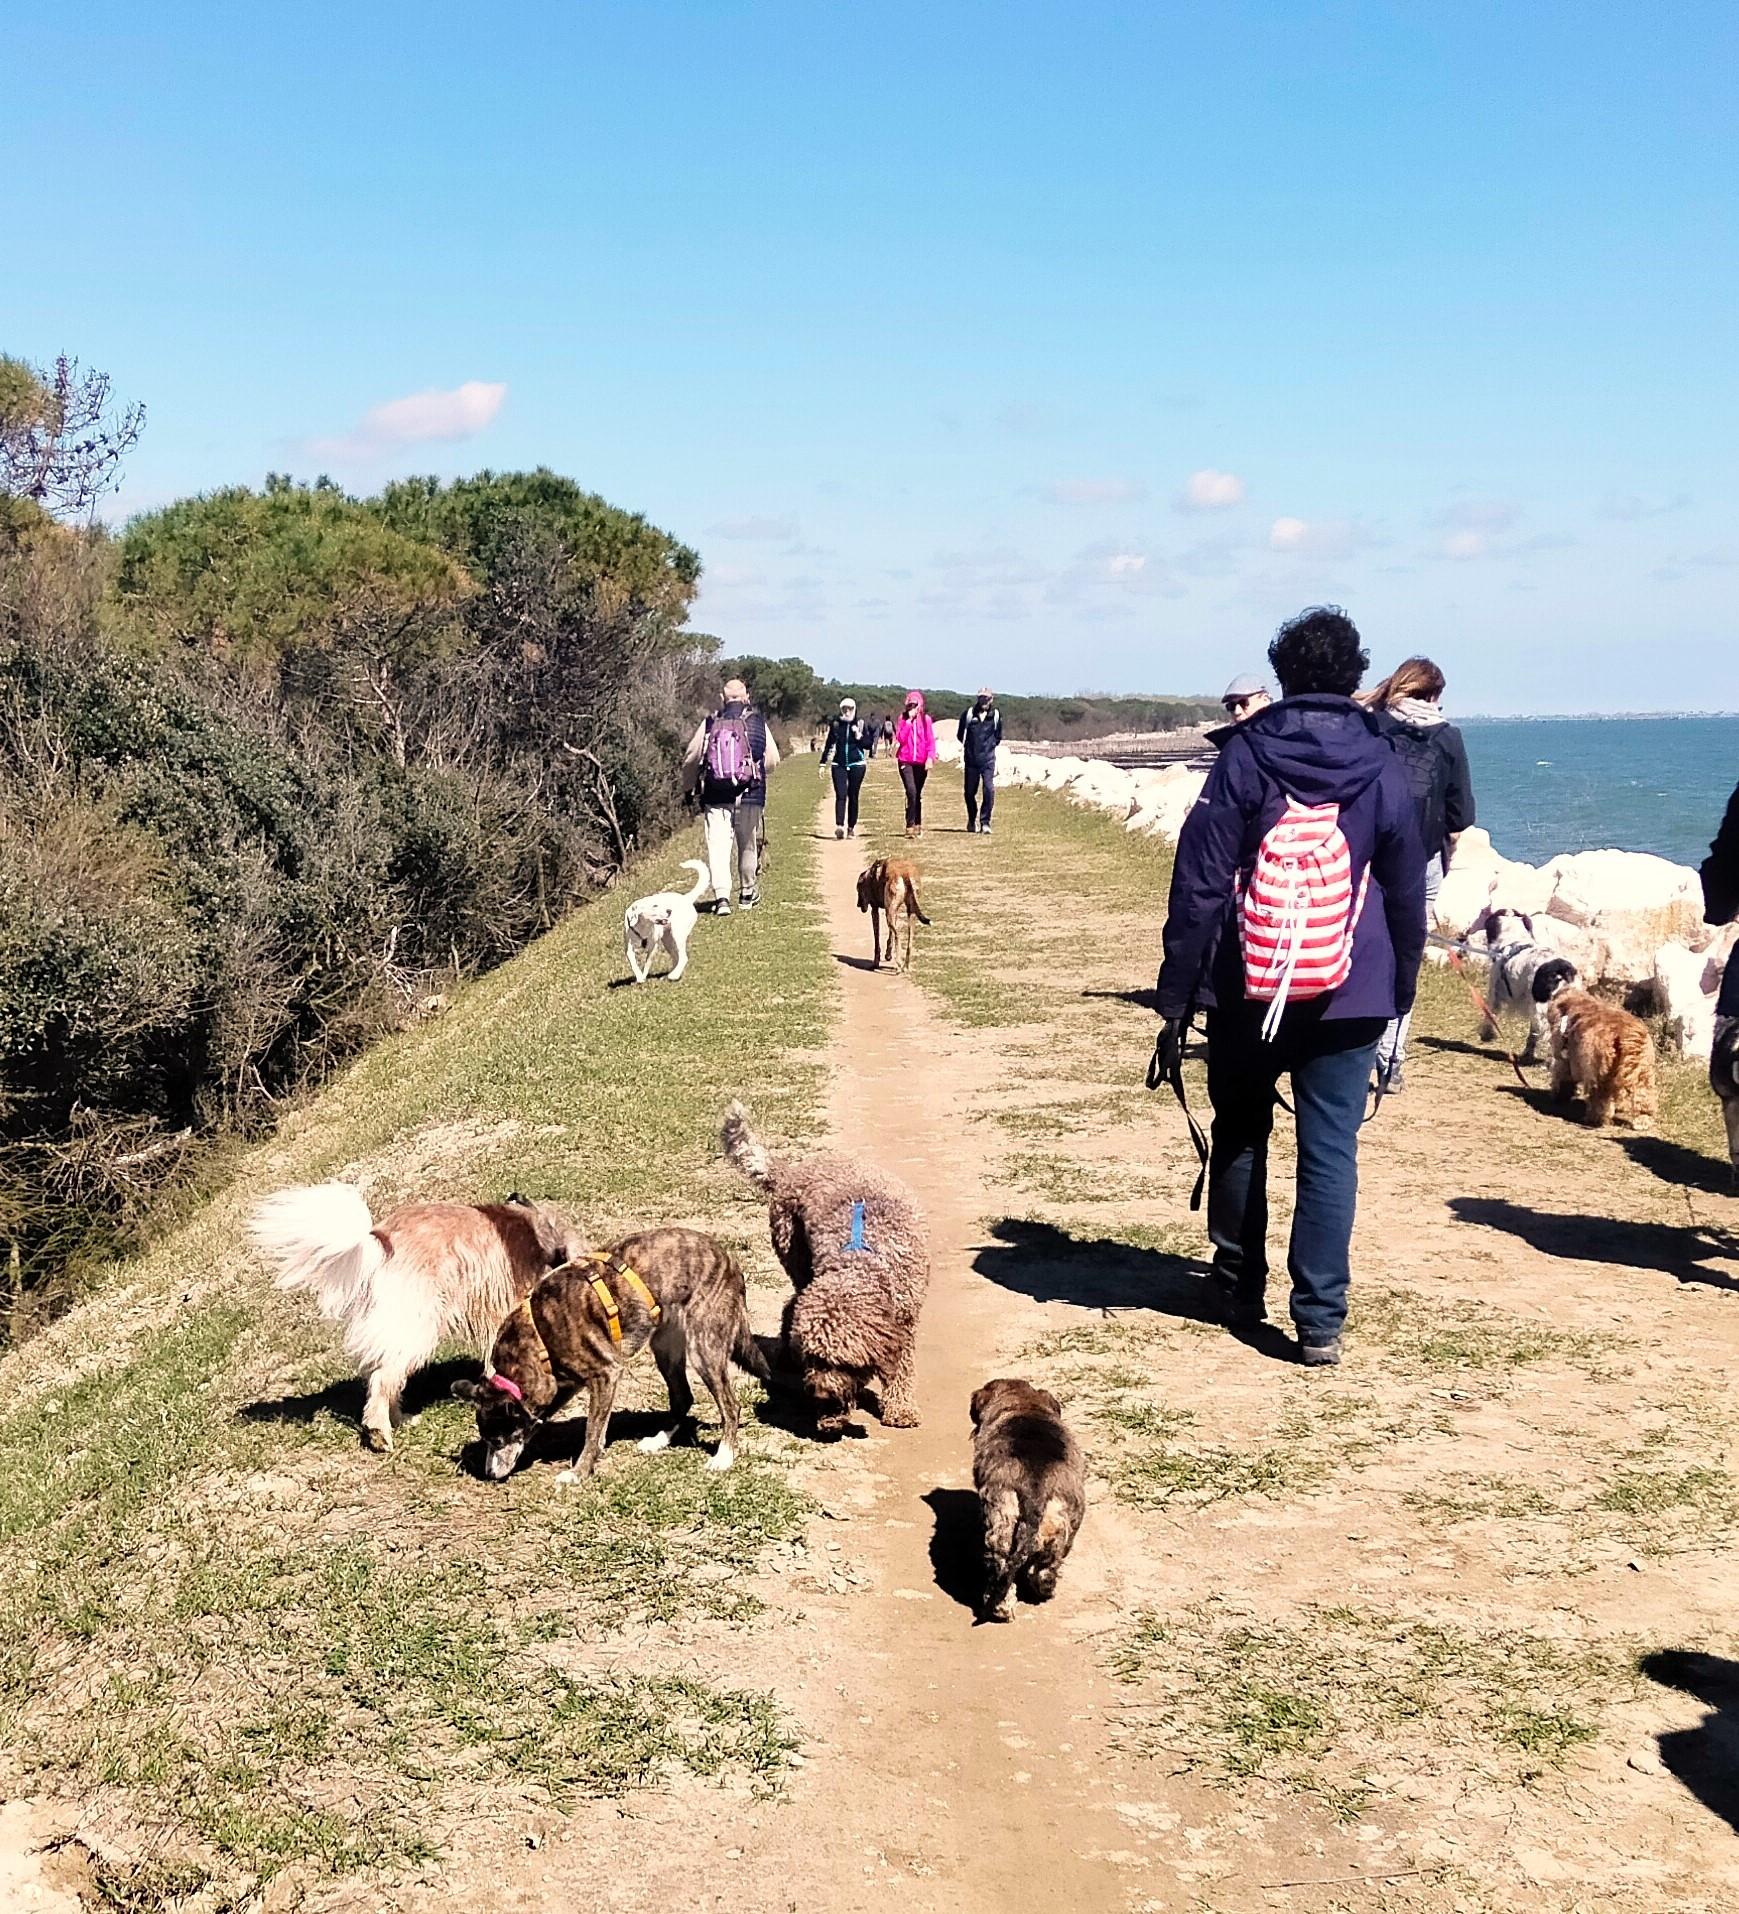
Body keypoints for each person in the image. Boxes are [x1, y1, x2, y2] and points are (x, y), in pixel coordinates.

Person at [1154, 606, 1426, 1368]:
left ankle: (1237, 1284)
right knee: (1329, 1148)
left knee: (1241, 1130)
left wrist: (1176, 996)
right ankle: (1318, 1321)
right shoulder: (1385, 761)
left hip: (1252, 980)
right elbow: (1406, 892)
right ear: (1353, 677)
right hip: (1353, 986)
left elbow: (1200, 886)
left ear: (1282, 677)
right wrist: (1399, 989)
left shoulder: (1243, 757)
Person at [1363, 656, 1475, 1092]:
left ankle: (1358, 1044)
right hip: (1422, 861)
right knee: (1405, 954)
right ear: (1435, 696)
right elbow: (1460, 814)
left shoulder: (1373, 727)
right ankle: (1391, 1059)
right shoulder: (1448, 739)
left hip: (1369, 856)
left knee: (1366, 948)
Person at [682, 677, 779, 915]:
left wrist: (689, 788)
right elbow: (773, 760)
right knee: (747, 844)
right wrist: (754, 772)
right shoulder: (757, 721)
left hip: (716, 795)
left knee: (718, 846)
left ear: (722, 698)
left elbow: (691, 758)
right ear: (746, 697)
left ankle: (722, 898)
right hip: (750, 794)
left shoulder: (711, 722)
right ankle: (747, 893)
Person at [818, 695, 870, 838]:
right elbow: (829, 744)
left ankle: (851, 827)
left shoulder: (859, 724)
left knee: (853, 796)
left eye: (850, 709)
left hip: (857, 764)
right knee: (841, 795)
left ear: (854, 709)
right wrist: (823, 763)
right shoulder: (836, 724)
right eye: (844, 709)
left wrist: (859, 736)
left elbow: (868, 744)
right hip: (838, 764)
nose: (847, 712)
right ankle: (839, 826)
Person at [957, 687, 1003, 834]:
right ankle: (972, 819)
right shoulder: (969, 714)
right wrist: (970, 748)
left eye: (987, 698)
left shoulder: (995, 715)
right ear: (978, 699)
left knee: (989, 790)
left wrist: (989, 747)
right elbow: (960, 735)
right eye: (982, 698)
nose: (984, 701)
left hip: (988, 760)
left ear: (992, 699)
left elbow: (998, 736)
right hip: (971, 760)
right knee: (969, 793)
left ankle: (985, 822)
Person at [894, 689, 936, 837]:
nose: (912, 708)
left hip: (921, 762)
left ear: (920, 705)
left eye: (915, 705)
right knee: (911, 792)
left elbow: (930, 741)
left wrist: (930, 757)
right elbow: (900, 739)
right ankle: (909, 824)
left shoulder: (926, 720)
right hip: (905, 760)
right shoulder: (903, 719)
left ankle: (918, 823)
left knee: (917, 794)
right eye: (909, 705)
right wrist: (908, 722)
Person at [1204, 673, 1272, 752]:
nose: (1237, 712)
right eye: (1231, 706)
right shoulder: (1232, 748)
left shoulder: (1286, 736)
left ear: (1265, 700)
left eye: (1243, 703)